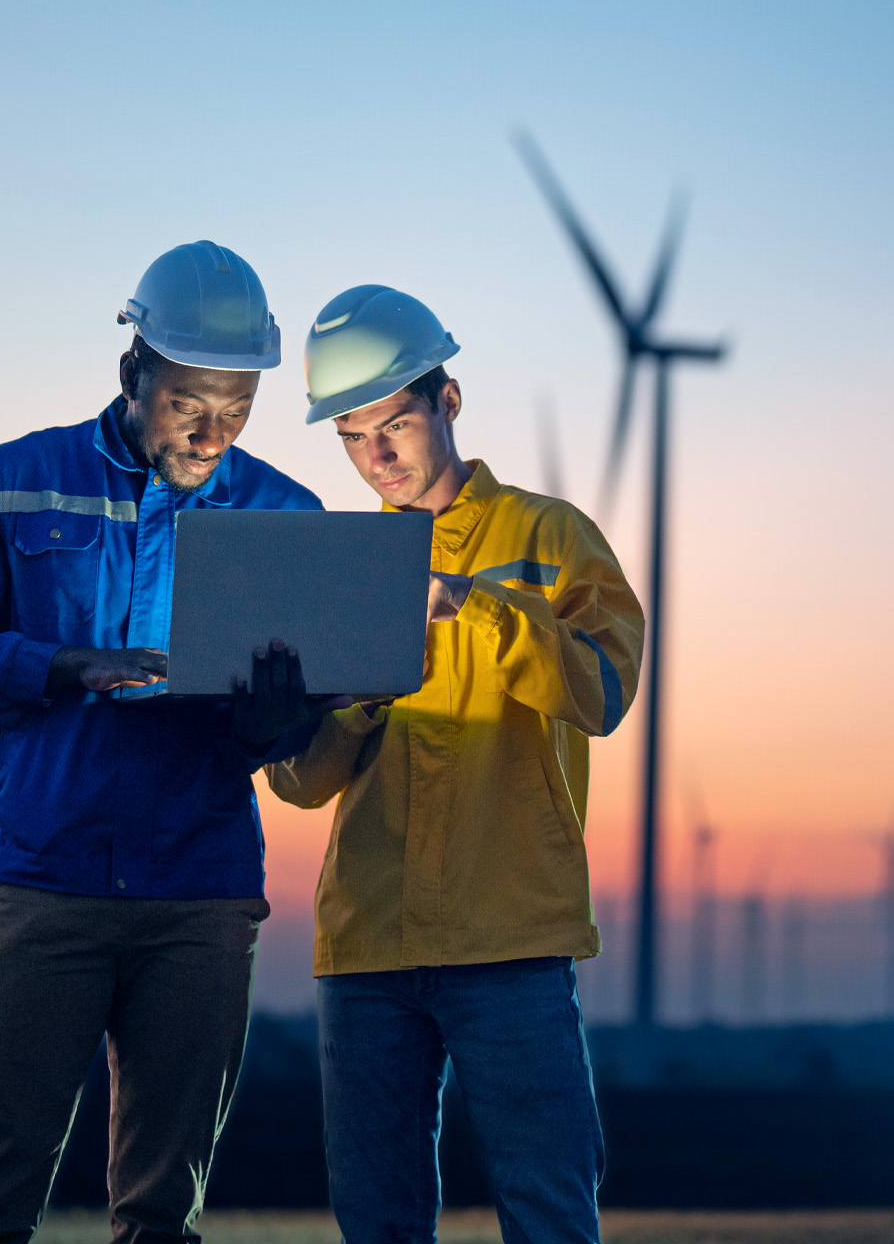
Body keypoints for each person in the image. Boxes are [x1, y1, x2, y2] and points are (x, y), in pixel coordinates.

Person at [0, 241, 324, 1244]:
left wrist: (278, 718)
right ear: (132, 372)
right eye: (188, 404)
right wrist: (57, 664)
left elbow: (297, 733)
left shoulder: (284, 517)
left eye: (238, 407)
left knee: (163, 1220)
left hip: (201, 899)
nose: (214, 432)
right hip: (46, 885)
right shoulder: (13, 484)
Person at [266, 285, 646, 1244]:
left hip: (509, 936)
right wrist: (356, 692)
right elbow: (299, 782)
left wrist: (471, 605)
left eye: (395, 422)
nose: (378, 456)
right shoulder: (337, 566)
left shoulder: (550, 537)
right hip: (367, 945)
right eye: (353, 436)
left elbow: (601, 694)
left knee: (550, 1212)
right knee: (378, 1223)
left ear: (450, 401)